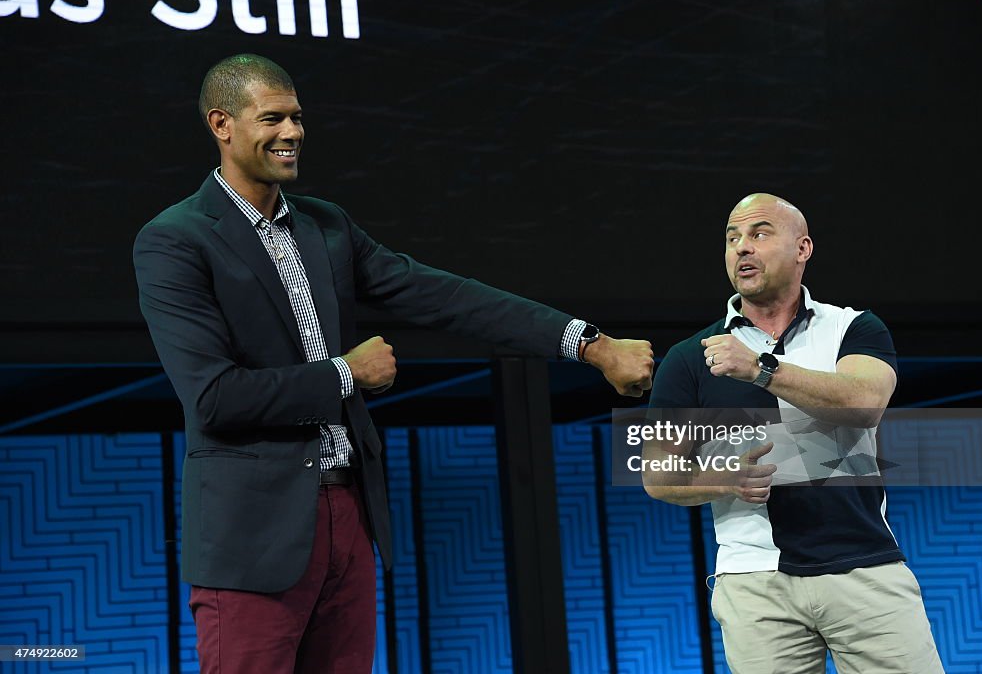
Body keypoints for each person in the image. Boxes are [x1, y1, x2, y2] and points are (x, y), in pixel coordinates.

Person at [133, 53, 654, 674]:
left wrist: (589, 344)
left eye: (297, 117)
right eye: (272, 118)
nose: (293, 133)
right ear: (221, 124)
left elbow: (447, 297)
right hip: (252, 533)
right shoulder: (175, 238)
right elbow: (215, 398)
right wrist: (345, 375)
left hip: (348, 517)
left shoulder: (326, 227)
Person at [643, 193, 944, 673]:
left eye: (759, 234)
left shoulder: (853, 328)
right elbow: (656, 474)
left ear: (802, 248)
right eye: (732, 238)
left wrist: (761, 368)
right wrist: (725, 480)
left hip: (865, 567)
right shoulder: (690, 356)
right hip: (754, 581)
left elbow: (865, 403)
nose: (742, 248)